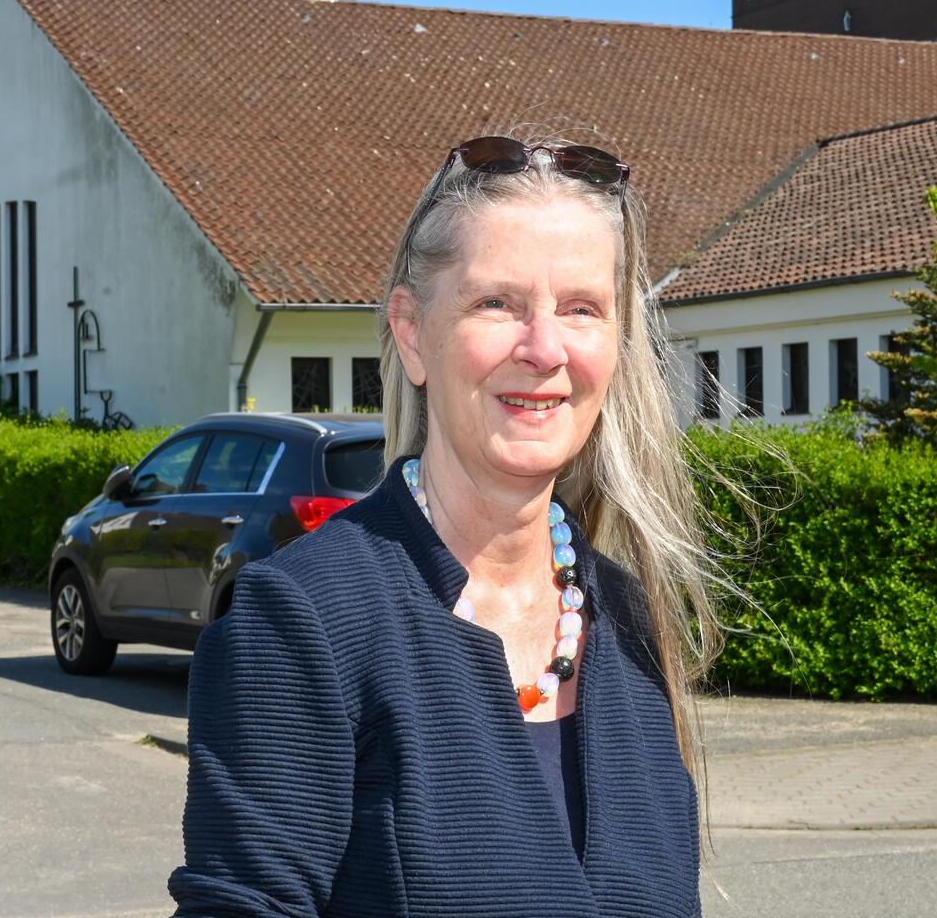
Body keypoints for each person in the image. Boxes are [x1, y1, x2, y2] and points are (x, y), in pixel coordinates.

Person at [168, 134, 724, 917]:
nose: (545, 349)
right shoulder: (302, 622)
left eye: (582, 309)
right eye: (496, 303)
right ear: (411, 332)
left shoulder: (629, 621)